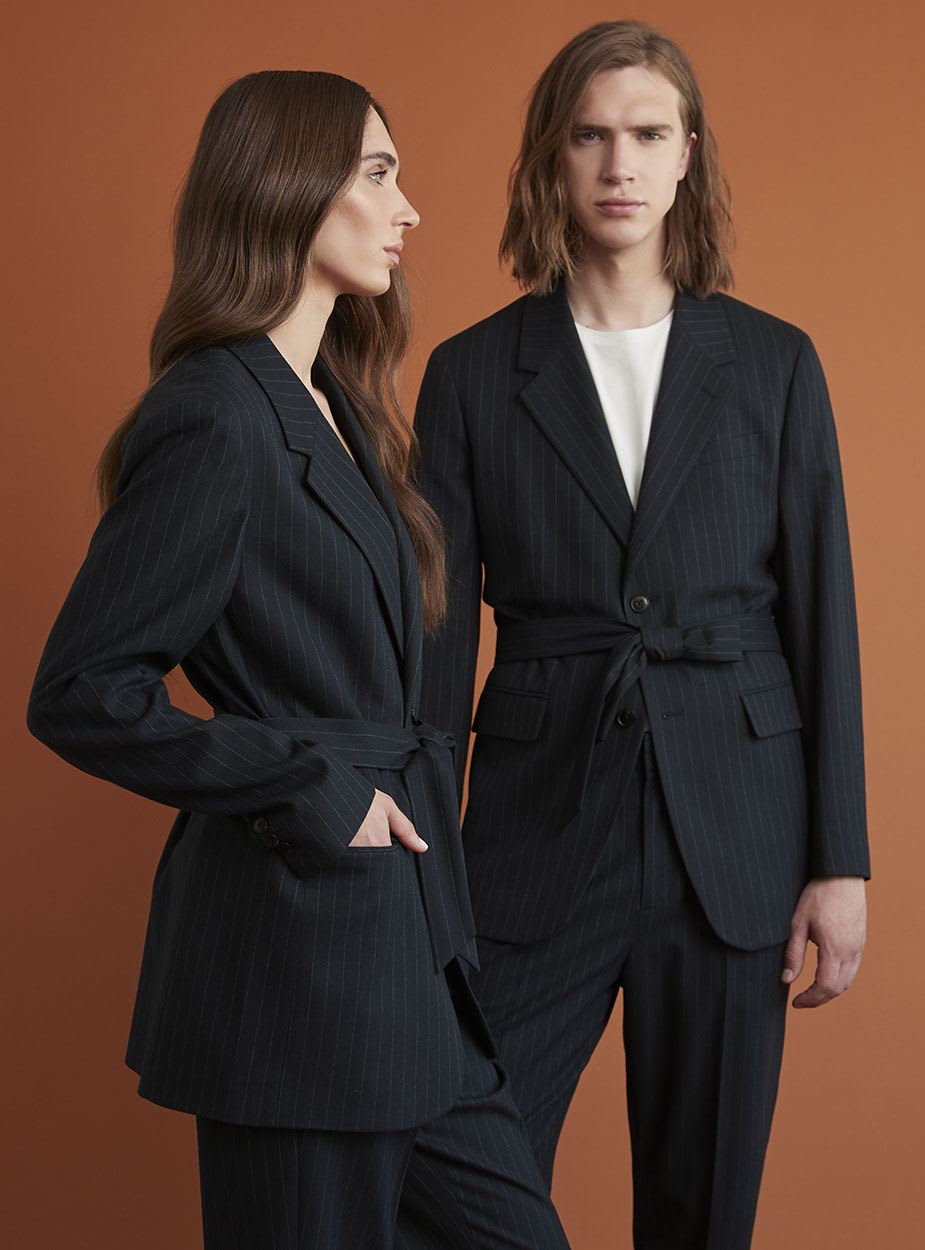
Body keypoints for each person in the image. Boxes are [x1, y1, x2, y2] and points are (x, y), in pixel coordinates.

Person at [26, 70, 570, 1250]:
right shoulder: (216, 415)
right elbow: (79, 693)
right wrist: (309, 784)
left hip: (415, 947)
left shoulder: (340, 404)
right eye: (378, 175)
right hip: (300, 956)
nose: (408, 208)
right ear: (287, 189)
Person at [409, 21, 870, 1250]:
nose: (619, 162)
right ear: (552, 160)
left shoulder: (773, 365)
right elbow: (435, 649)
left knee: (702, 1211)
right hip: (527, 839)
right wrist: (411, 871)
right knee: (448, 1172)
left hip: (735, 832)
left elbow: (824, 618)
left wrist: (842, 862)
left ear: (686, 158)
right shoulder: (468, 373)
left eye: (647, 134)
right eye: (591, 134)